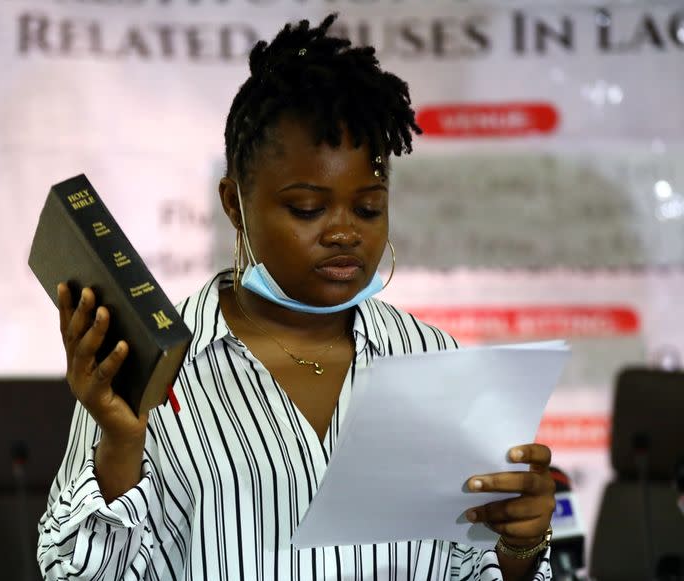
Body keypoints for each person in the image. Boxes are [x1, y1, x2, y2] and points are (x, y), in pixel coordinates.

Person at [38, 14, 556, 581]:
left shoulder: (433, 361)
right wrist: (119, 444)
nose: (343, 232)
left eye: (368, 208)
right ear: (234, 203)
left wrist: (520, 545)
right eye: (308, 208)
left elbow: (473, 570)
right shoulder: (154, 367)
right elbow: (73, 575)